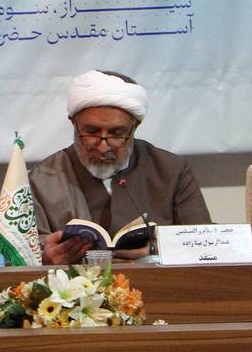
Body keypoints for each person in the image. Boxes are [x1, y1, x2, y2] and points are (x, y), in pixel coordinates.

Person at [30, 70, 212, 264]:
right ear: (74, 123)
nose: (103, 147)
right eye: (91, 132)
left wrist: (159, 251)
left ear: (135, 126)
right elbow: (20, 253)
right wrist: (45, 259)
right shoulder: (42, 180)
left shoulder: (171, 170)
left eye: (117, 133)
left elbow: (206, 242)